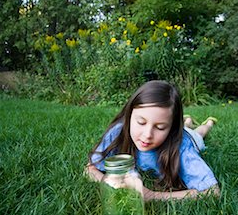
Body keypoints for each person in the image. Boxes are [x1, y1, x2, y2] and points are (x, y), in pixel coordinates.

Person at [85, 80, 220, 201]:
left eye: (160, 127)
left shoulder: (183, 145)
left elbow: (213, 192)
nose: (147, 135)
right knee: (187, 127)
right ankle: (187, 121)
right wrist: (112, 183)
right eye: (141, 122)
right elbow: (90, 169)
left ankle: (208, 123)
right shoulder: (118, 131)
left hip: (192, 139)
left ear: (172, 128)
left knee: (198, 133)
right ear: (129, 115)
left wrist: (153, 196)